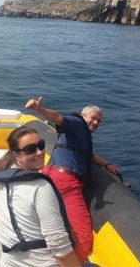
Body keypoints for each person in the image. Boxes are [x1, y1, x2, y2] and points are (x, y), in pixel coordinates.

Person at [25, 97, 120, 263]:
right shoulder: (77, 123)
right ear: (84, 116)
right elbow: (57, 118)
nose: (96, 122)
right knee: (83, 238)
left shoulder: (81, 135)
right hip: (66, 183)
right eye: (93, 118)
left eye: (99, 120)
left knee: (47, 223)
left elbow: (87, 154)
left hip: (50, 175)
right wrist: (38, 109)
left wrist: (106, 164)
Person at [0, 125, 80, 267]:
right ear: (17, 155)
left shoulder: (4, 182)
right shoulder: (41, 187)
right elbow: (58, 244)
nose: (40, 152)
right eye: (30, 149)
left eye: (41, 145)